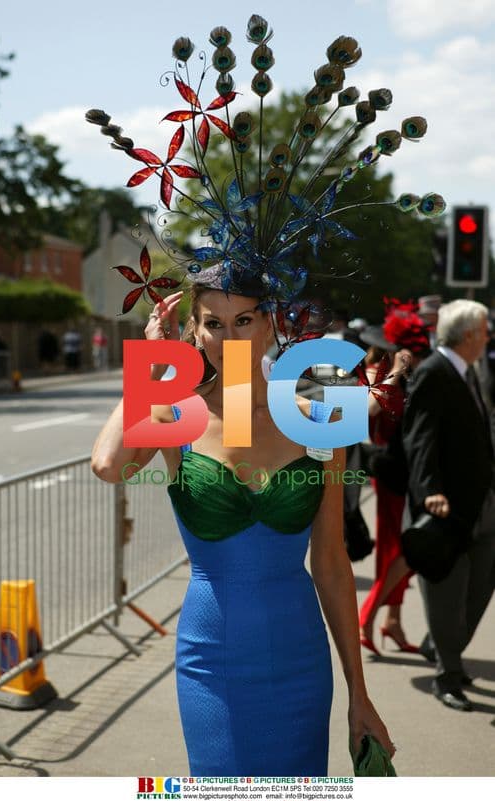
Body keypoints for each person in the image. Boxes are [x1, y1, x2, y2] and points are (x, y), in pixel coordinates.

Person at [91, 271, 394, 774]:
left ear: (269, 324)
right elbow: (107, 465)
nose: (229, 337)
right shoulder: (174, 413)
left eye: (244, 320)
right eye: (214, 323)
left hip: (301, 660)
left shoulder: (319, 415)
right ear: (194, 332)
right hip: (213, 661)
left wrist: (358, 693)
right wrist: (154, 364)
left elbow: (332, 563)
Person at [402, 299, 495, 711]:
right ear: (469, 335)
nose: (489, 336)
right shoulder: (434, 372)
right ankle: (447, 676)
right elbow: (420, 436)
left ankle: (440, 645)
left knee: (480, 587)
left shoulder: (469, 371)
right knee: (447, 594)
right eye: (485, 329)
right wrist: (429, 492)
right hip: (445, 510)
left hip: (480, 505)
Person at [357, 303, 431, 656]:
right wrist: (395, 372)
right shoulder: (376, 368)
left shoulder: (408, 372)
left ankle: (393, 621)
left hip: (407, 470)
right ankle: (371, 616)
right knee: (397, 548)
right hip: (387, 471)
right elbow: (370, 409)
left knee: (403, 546)